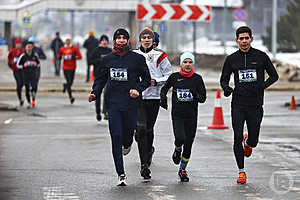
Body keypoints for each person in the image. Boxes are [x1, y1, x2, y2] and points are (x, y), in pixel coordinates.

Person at [88, 28, 151, 186]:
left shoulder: (136, 59)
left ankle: (128, 143)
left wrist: (138, 89)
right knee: (115, 136)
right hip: (113, 104)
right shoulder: (107, 59)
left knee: (127, 136)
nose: (121, 40)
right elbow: (100, 79)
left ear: (128, 40)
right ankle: (121, 173)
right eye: (118, 38)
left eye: (124, 38)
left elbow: (146, 79)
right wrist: (95, 92)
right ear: (114, 40)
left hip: (131, 103)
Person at [220, 26, 279, 184]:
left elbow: (274, 75)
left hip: (255, 104)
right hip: (238, 104)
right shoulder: (232, 59)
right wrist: (226, 88)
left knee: (254, 140)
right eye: (241, 39)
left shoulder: (260, 56)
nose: (244, 41)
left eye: (247, 38)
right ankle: (241, 172)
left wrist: (262, 86)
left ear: (251, 39)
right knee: (237, 136)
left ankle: (249, 143)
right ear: (237, 40)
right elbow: (223, 79)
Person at [133, 27, 172, 180]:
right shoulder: (135, 55)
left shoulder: (160, 55)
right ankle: (144, 165)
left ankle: (148, 151)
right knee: (141, 129)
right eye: (144, 37)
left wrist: (157, 81)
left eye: (149, 38)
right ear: (140, 40)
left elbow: (169, 74)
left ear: (153, 41)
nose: (147, 40)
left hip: (154, 97)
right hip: (138, 96)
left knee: (148, 129)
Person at [160, 52, 206, 182]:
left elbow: (203, 98)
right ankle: (177, 148)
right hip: (178, 115)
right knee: (180, 137)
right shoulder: (175, 77)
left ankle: (182, 169)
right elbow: (164, 89)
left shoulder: (197, 79)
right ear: (181, 64)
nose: (187, 65)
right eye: (185, 62)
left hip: (191, 116)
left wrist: (196, 95)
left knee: (189, 144)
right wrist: (163, 98)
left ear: (193, 64)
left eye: (190, 62)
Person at [90, 34, 112, 121]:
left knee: (107, 94)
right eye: (103, 40)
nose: (104, 42)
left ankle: (106, 112)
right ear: (100, 42)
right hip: (98, 75)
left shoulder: (110, 51)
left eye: (106, 40)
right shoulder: (96, 51)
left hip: (108, 75)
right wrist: (100, 61)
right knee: (97, 94)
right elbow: (90, 61)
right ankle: (98, 112)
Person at [57, 38, 82, 104]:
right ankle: (71, 97)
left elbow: (80, 56)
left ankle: (65, 85)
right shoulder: (62, 48)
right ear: (65, 42)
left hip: (72, 67)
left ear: (70, 42)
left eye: (69, 41)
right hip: (65, 68)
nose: (67, 42)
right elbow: (59, 55)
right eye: (66, 41)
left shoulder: (74, 48)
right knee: (69, 82)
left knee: (70, 83)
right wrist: (59, 57)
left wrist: (74, 57)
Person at [17, 41, 40, 108]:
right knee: (27, 89)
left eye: (31, 47)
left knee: (34, 87)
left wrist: (35, 65)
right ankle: (29, 102)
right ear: (25, 48)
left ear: (32, 47)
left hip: (33, 74)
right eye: (28, 47)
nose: (29, 48)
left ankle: (33, 99)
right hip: (25, 75)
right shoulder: (23, 56)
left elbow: (38, 64)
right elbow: (18, 65)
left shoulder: (35, 55)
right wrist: (24, 65)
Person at [7, 38, 25, 106]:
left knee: (22, 83)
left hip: (22, 70)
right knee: (19, 83)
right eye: (17, 44)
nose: (18, 45)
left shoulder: (23, 51)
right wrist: (10, 65)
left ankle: (21, 96)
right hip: (16, 70)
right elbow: (9, 58)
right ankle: (20, 99)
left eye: (19, 44)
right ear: (15, 44)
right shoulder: (12, 51)